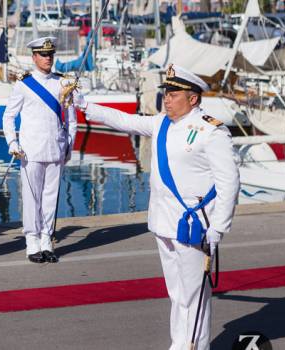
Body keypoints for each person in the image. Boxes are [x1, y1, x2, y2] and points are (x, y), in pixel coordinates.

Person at [74, 64, 240, 350]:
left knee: (194, 295)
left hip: (193, 225)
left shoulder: (211, 131)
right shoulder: (162, 122)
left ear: (193, 98)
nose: (167, 97)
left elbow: (230, 183)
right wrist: (85, 104)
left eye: (174, 93)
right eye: (166, 92)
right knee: (176, 293)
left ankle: (195, 346)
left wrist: (218, 228)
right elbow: (125, 121)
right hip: (164, 221)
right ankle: (179, 344)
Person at [1, 37, 77, 264]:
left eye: (50, 54)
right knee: (32, 198)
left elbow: (71, 120)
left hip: (55, 148)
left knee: (50, 198)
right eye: (43, 55)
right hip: (31, 150)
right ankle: (32, 242)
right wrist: (12, 143)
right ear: (34, 57)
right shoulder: (24, 84)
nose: (48, 58)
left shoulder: (63, 83)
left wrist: (69, 145)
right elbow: (9, 116)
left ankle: (46, 241)